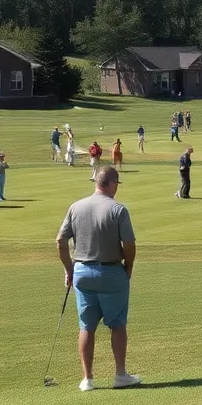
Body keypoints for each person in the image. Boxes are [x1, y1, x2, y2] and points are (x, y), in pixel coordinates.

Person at [55, 166, 140, 391]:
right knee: (118, 324)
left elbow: (60, 241)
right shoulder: (118, 209)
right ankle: (120, 374)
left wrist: (69, 269)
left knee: (86, 326)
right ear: (112, 183)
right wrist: (128, 268)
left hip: (82, 272)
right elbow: (129, 244)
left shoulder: (76, 207)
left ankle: (87, 379)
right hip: (112, 272)